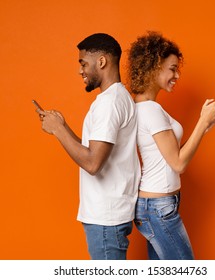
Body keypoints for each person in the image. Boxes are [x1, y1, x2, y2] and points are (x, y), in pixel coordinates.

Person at [36, 33, 140, 260]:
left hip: (105, 218)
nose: (80, 71)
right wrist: (62, 126)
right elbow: (93, 150)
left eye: (83, 63)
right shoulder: (119, 97)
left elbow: (93, 163)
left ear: (101, 61)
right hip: (110, 215)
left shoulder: (109, 103)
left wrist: (57, 130)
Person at [127, 31, 215, 260]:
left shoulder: (147, 108)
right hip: (158, 208)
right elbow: (178, 163)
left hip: (158, 205)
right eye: (172, 68)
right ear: (155, 66)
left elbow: (170, 155)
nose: (176, 75)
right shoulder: (150, 110)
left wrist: (205, 123)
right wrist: (202, 121)